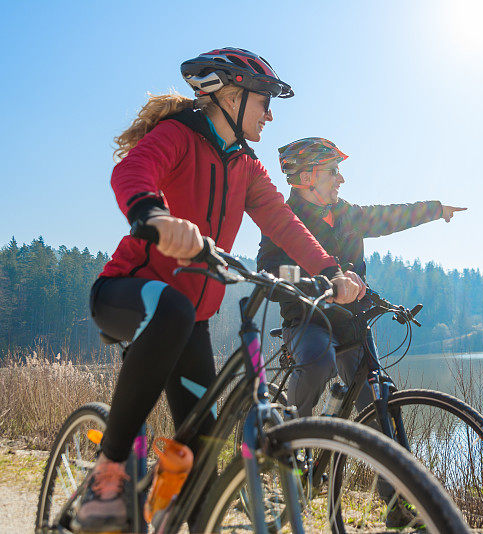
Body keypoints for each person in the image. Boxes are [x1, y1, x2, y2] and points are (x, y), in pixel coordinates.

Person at [77, 49, 361, 532]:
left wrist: (332, 270)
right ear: (230, 94)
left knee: (202, 455)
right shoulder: (180, 136)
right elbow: (132, 171)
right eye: (263, 102)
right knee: (172, 311)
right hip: (129, 293)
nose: (270, 114)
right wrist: (155, 217)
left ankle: (173, 504)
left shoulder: (246, 167)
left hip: (191, 319)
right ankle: (109, 470)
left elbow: (284, 222)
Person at [256, 137, 465, 419]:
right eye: (332, 171)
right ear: (306, 177)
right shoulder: (284, 218)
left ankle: (379, 455)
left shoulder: (347, 214)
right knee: (320, 363)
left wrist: (436, 209)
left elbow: (391, 216)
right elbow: (269, 273)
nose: (341, 178)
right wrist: (324, 281)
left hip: (352, 319)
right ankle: (290, 434)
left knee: (381, 403)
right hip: (307, 320)